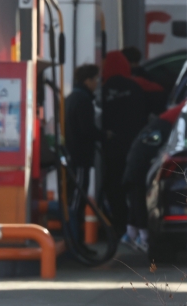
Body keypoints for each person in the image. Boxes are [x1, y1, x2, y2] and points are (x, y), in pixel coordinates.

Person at [122, 100, 186, 252]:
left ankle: (134, 233)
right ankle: (142, 236)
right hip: (144, 156)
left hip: (140, 155)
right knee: (137, 187)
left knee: (135, 186)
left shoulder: (168, 120)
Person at [100, 51, 148, 236]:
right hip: (135, 146)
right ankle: (136, 225)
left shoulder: (103, 90)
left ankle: (119, 224)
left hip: (112, 148)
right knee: (135, 187)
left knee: (114, 185)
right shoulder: (136, 87)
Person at [65, 64, 104, 246]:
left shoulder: (72, 98)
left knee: (75, 200)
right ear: (87, 80)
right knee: (76, 202)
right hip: (80, 157)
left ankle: (75, 242)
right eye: (96, 79)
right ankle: (75, 243)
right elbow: (87, 129)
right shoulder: (83, 100)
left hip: (74, 156)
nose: (97, 83)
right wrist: (105, 135)